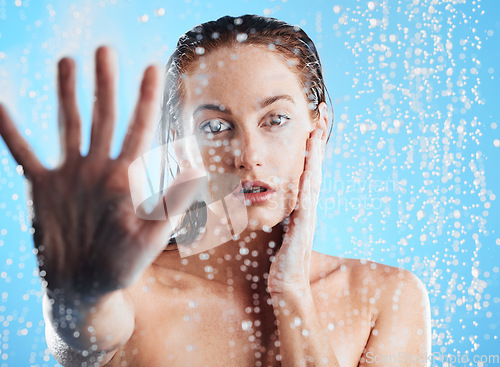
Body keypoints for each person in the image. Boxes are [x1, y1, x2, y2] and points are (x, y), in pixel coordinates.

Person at [0, 14, 431, 367]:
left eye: (275, 119)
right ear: (178, 145)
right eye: (215, 126)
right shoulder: (133, 293)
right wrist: (79, 292)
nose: (247, 155)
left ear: (318, 129)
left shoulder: (385, 297)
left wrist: (292, 290)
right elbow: (81, 335)